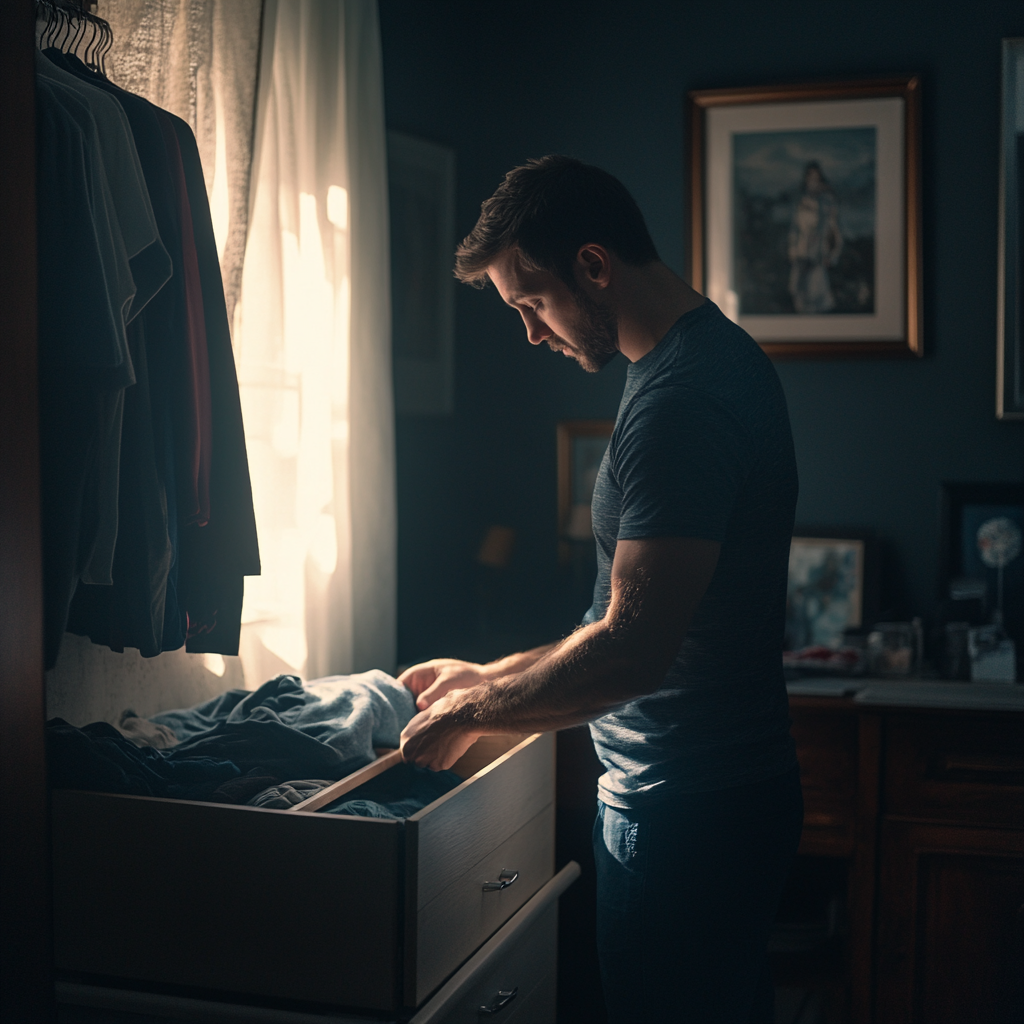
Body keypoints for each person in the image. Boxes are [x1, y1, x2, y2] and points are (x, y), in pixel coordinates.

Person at [398, 155, 803, 1024]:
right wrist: (488, 675)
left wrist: (477, 714)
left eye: (531, 303)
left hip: (685, 817)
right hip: (704, 807)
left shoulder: (682, 405)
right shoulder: (687, 362)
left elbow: (632, 649)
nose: (533, 334)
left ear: (592, 264)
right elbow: (613, 618)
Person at [787, 160, 843, 313]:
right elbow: (795, 229)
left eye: (816, 179)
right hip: (801, 256)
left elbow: (836, 234)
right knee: (798, 294)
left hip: (817, 256)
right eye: (810, 178)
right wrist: (792, 249)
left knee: (816, 296)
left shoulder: (827, 203)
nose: (813, 182)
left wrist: (832, 256)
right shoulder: (800, 202)